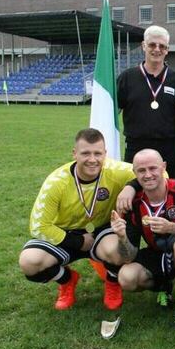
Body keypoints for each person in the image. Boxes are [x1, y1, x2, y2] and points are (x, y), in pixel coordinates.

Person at [18, 128, 135, 311]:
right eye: (85, 153)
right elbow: (38, 226)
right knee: (29, 262)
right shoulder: (56, 182)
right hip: (65, 233)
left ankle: (112, 283)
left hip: (101, 230)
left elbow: (157, 175)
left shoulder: (117, 170)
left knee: (118, 250)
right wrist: (78, 241)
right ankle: (67, 281)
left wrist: (131, 187)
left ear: (105, 154)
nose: (92, 159)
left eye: (98, 153)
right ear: (74, 154)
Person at [103, 149, 175, 311]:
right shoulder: (133, 203)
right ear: (134, 173)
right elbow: (128, 257)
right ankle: (163, 286)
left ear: (163, 167)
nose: (148, 175)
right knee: (127, 278)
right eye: (141, 170)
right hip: (156, 252)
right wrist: (122, 236)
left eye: (153, 168)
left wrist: (172, 228)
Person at [117, 25, 175, 179]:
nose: (157, 49)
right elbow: (113, 112)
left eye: (162, 46)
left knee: (167, 191)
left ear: (167, 49)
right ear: (143, 46)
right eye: (152, 45)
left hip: (167, 147)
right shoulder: (127, 78)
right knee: (135, 190)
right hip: (136, 146)